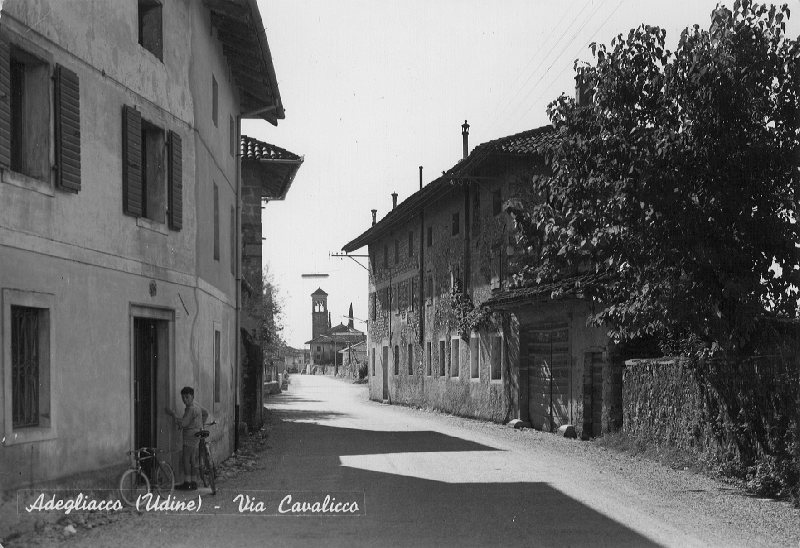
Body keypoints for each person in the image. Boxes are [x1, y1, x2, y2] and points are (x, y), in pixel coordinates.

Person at [165, 386, 208, 491]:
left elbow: (183, 423)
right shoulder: (197, 406)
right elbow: (205, 413)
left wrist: (173, 415)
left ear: (192, 396)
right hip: (196, 435)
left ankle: (187, 482)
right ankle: (194, 482)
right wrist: (201, 425)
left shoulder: (190, 409)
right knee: (192, 460)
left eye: (187, 397)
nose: (185, 400)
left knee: (186, 459)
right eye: (183, 397)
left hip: (189, 436)